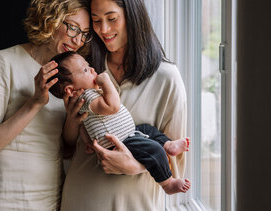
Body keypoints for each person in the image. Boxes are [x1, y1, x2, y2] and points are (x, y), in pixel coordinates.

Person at [60, 0, 188, 210]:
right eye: (96, 20)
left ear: (132, 16)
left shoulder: (167, 79)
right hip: (81, 199)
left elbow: (176, 154)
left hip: (137, 203)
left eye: (112, 18)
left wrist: (134, 166)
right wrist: (71, 119)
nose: (103, 29)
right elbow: (68, 147)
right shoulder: (84, 71)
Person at [0, 0, 91, 211]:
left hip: (50, 194)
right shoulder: (3, 61)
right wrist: (35, 102)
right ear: (51, 19)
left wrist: (73, 120)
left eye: (84, 33)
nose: (78, 40)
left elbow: (66, 150)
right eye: (73, 27)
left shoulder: (71, 77)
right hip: (6, 196)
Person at [48, 51, 190, 195]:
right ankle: (167, 183)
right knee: (153, 150)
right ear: (71, 90)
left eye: (89, 66)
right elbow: (113, 106)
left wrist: (89, 142)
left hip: (128, 135)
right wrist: (106, 81)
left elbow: (84, 124)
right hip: (120, 143)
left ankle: (167, 144)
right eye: (85, 70)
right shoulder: (88, 97)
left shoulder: (87, 98)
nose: (91, 69)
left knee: (147, 129)